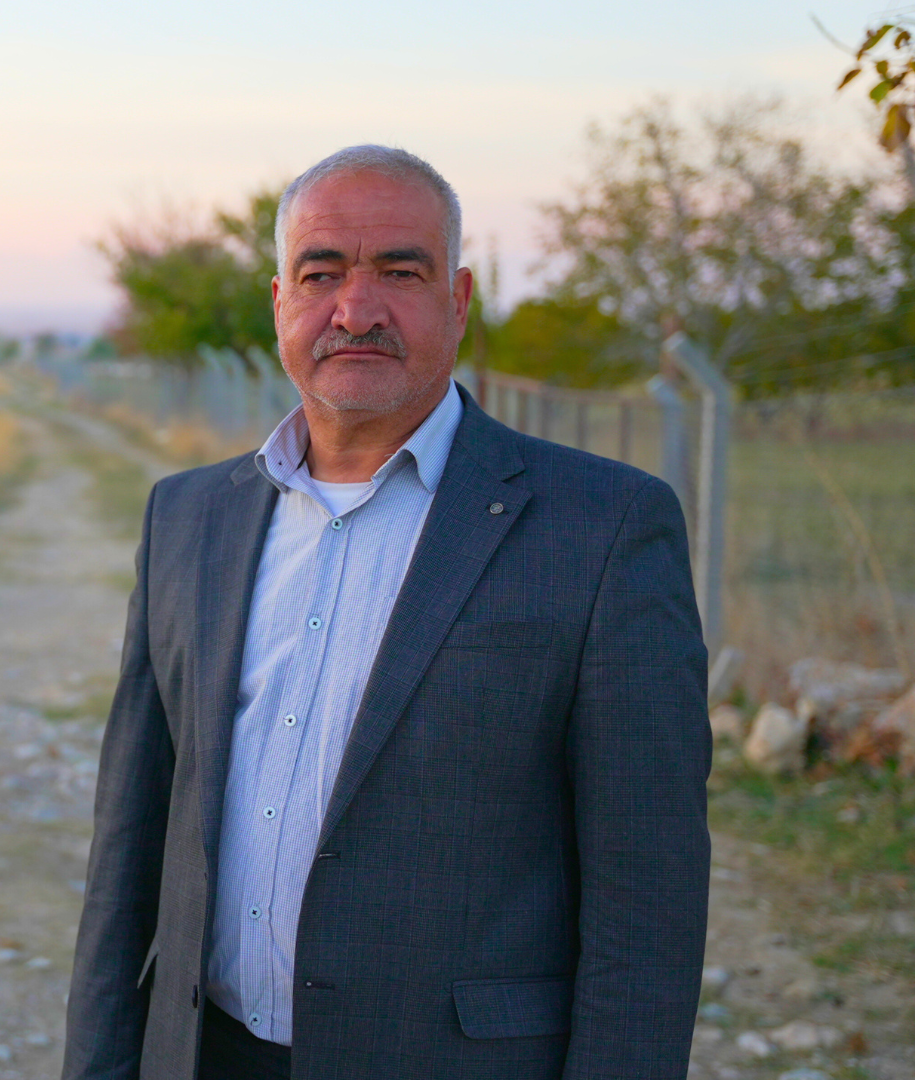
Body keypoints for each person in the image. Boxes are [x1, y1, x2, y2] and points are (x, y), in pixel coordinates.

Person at [62, 145, 710, 1080]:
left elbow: (647, 903)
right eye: (322, 273)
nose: (355, 310)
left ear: (459, 298)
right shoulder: (188, 517)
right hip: (204, 1056)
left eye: (399, 272)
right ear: (280, 299)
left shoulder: (601, 528)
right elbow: (128, 847)